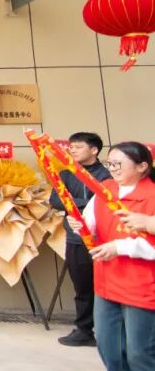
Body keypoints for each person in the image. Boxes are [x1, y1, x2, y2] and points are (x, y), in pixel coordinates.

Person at [68, 142, 155, 371]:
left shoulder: (152, 196)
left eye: (119, 163)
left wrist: (121, 246)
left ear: (142, 166)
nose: (113, 169)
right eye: (111, 163)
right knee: (109, 346)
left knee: (141, 351)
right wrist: (80, 226)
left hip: (142, 286)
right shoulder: (105, 191)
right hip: (107, 282)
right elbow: (92, 226)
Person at [50, 131, 112, 347]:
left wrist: (73, 203)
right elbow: (56, 201)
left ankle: (110, 331)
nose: (72, 150)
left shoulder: (107, 175)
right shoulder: (66, 174)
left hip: (104, 239)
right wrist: (87, 203)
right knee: (82, 286)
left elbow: (108, 201)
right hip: (76, 238)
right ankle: (84, 330)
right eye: (71, 147)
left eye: (78, 147)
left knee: (107, 286)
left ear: (94, 150)